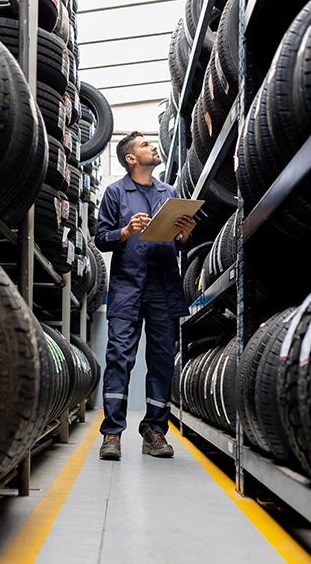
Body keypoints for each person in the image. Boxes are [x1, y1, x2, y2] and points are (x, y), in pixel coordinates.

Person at [95, 131, 195, 460]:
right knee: (119, 360)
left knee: (162, 362)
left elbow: (181, 244)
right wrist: (124, 231)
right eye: (145, 145)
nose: (154, 146)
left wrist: (184, 236)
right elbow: (101, 238)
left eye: (152, 144)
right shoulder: (115, 192)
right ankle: (112, 434)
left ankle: (154, 431)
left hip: (164, 287)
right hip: (127, 287)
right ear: (131, 159)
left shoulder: (170, 193)